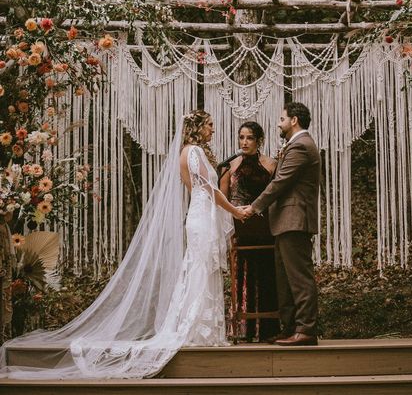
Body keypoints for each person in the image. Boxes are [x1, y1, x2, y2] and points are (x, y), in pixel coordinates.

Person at [1, 110, 246, 380]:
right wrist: (235, 211)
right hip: (202, 216)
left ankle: (203, 330)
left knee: (200, 270)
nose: (213, 130)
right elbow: (206, 189)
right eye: (210, 125)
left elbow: (196, 190)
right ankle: (198, 331)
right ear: (198, 128)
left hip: (199, 215)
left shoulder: (185, 152)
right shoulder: (195, 152)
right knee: (200, 271)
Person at [242, 102, 320, 346]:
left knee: (299, 277)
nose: (279, 123)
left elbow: (280, 183)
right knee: (284, 279)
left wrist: (254, 207)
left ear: (294, 120)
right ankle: (289, 328)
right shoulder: (295, 146)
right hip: (285, 222)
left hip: (294, 220)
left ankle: (306, 329)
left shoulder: (302, 146)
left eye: (282, 118)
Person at [219, 121, 279, 341]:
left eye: (249, 138)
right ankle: (244, 329)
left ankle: (268, 330)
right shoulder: (230, 166)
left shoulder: (272, 165)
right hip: (241, 226)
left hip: (266, 226)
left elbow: (277, 196)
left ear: (259, 140)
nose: (244, 142)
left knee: (267, 274)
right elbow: (222, 200)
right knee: (242, 273)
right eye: (241, 137)